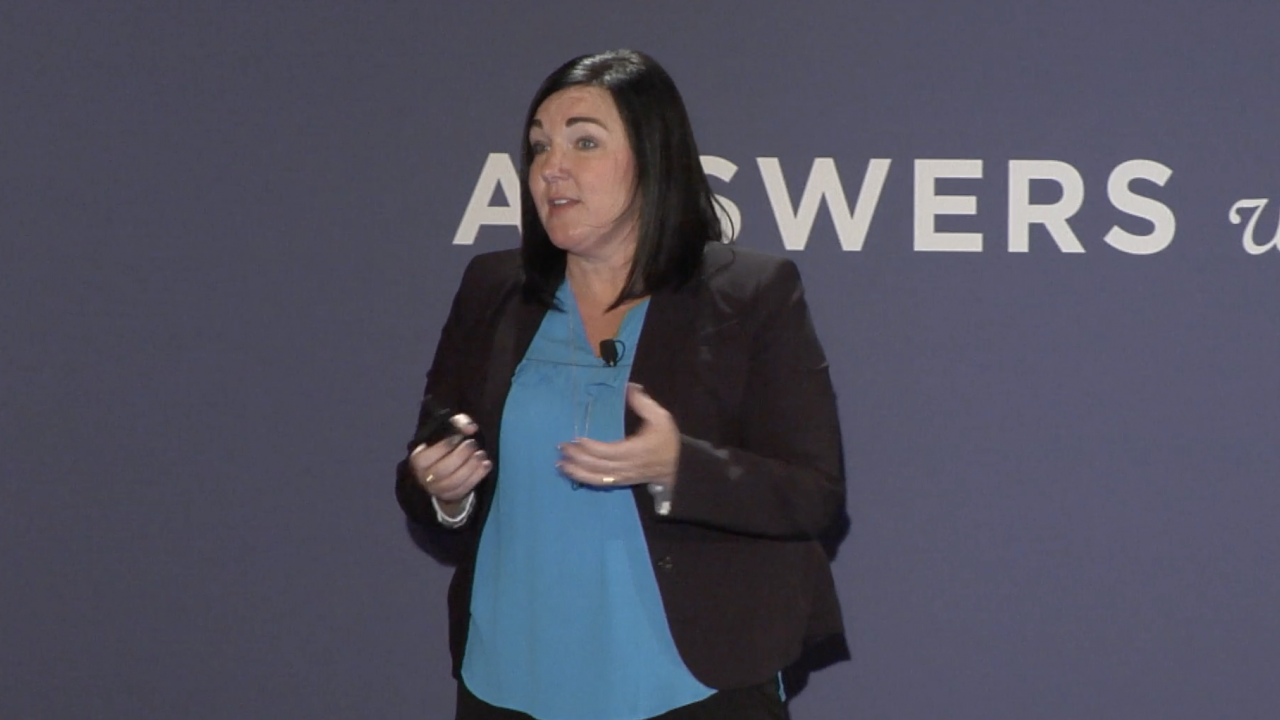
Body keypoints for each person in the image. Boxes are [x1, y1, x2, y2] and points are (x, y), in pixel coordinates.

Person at [396, 49, 846, 720]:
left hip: (686, 685)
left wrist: (678, 467)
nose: (552, 168)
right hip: (509, 680)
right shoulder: (493, 290)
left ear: (653, 157)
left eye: (584, 141)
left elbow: (815, 495)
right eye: (539, 146)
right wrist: (443, 491)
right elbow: (425, 463)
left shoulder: (749, 294)